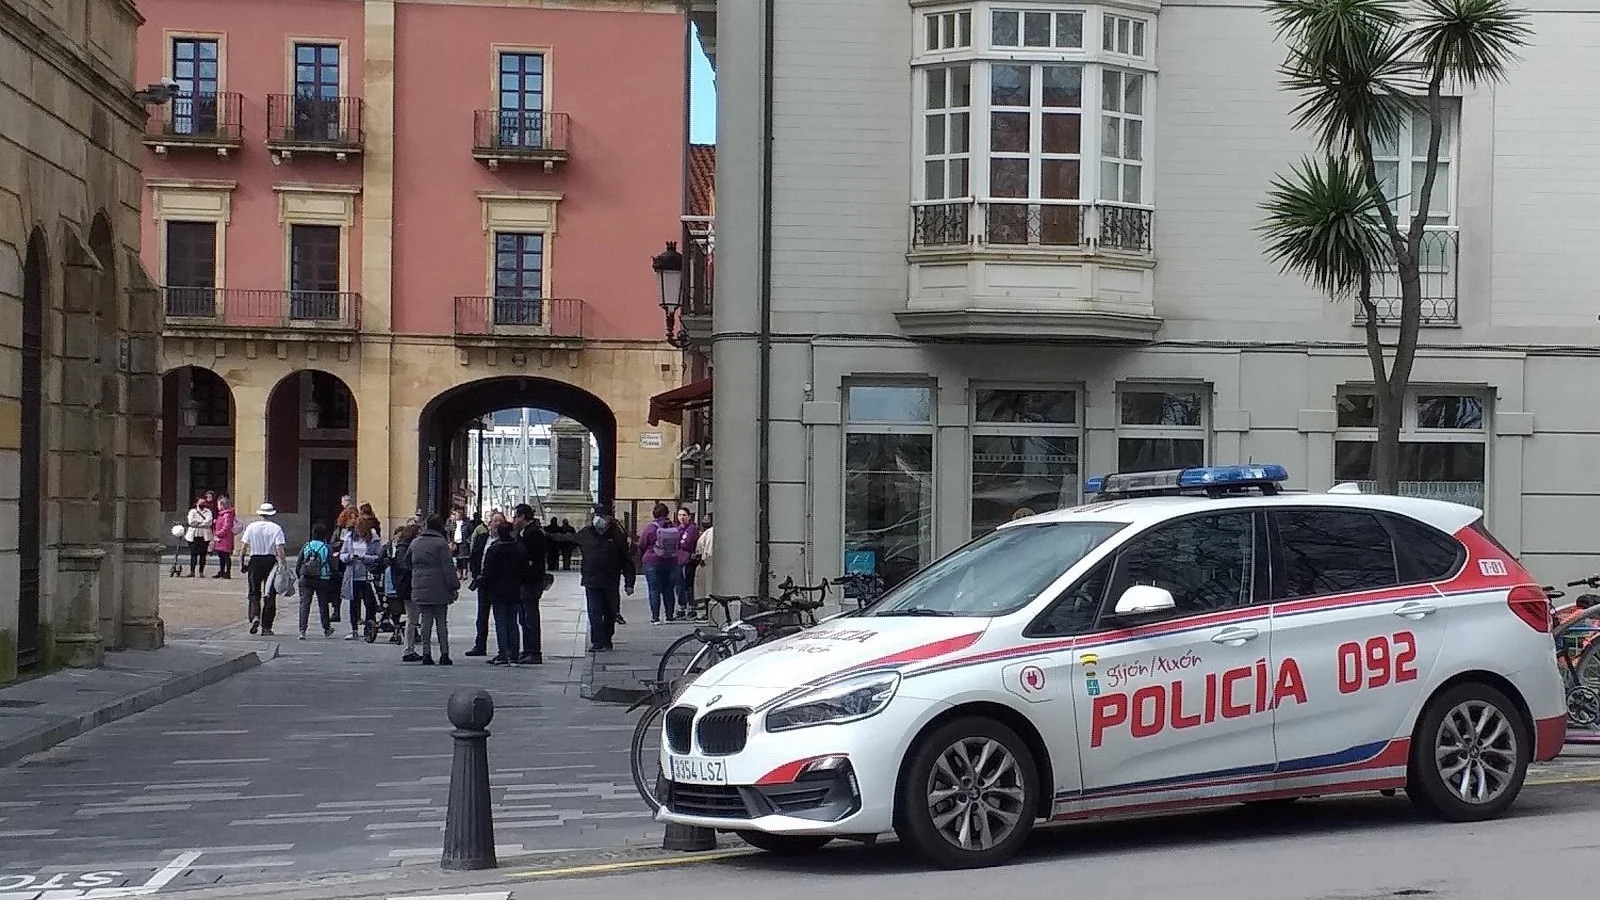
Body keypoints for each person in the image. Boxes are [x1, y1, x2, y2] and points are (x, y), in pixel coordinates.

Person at [575, 503, 635, 652]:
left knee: (610, 611)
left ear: (609, 518)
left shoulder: (617, 536)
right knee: (594, 612)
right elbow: (567, 539)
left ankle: (607, 639)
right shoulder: (586, 533)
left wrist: (629, 583)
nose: (598, 519)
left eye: (601, 516)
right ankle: (597, 642)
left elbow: (626, 560)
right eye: (596, 516)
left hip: (610, 580)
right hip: (591, 580)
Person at [405, 514, 459, 665]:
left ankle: (426, 653)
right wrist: (454, 586)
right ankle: (444, 654)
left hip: (420, 586)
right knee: (441, 622)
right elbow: (448, 567)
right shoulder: (441, 544)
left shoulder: (415, 543)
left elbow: (407, 562)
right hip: (439, 587)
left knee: (425, 621)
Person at [477, 521, 528, 666]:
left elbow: (487, 571)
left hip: (498, 590)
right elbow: (524, 569)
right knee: (513, 622)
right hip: (515, 589)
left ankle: (503, 654)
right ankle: (514, 654)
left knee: (501, 622)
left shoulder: (494, 549)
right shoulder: (519, 548)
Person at [238, 503, 286, 636]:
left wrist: (242, 564)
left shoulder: (252, 527)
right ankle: (266, 627)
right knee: (270, 594)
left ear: (260, 514)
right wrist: (283, 565)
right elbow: (279, 549)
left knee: (254, 592)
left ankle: (255, 617)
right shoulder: (276, 528)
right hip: (270, 561)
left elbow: (243, 549)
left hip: (255, 560)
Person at [511, 504, 548, 665]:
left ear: (523, 517)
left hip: (531, 581)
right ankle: (527, 650)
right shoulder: (524, 533)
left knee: (530, 616)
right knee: (524, 617)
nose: (514, 520)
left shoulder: (534, 534)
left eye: (516, 517)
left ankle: (533, 651)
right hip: (524, 580)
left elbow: (532, 558)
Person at [464, 510, 504, 657]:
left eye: (500, 521)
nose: (497, 524)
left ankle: (503, 648)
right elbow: (474, 556)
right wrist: (475, 574)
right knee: (482, 615)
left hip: (498, 584)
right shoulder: (483, 538)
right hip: (483, 582)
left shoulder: (506, 541)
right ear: (490, 524)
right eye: (495, 521)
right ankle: (480, 645)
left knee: (500, 616)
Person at [639, 503, 683, 624]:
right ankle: (669, 616)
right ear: (667, 513)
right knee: (668, 589)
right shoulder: (673, 528)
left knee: (654, 590)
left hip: (652, 561)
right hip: (670, 561)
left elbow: (642, 543)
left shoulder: (651, 528)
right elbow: (678, 545)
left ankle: (655, 617)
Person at [340, 514, 382, 640]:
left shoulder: (374, 540)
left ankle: (369, 629)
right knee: (353, 604)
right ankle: (354, 630)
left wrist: (365, 558)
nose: (359, 533)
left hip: (367, 576)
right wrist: (349, 557)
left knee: (369, 604)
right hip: (352, 575)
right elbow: (342, 555)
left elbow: (379, 557)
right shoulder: (349, 538)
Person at [379, 524, 417, 651]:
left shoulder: (403, 548)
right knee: (410, 616)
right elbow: (402, 567)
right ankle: (409, 646)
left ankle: (409, 641)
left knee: (412, 616)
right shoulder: (396, 548)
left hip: (401, 584)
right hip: (401, 584)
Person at [295, 523, 336, 640]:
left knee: (304, 604)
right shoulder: (326, 547)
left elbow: (299, 563)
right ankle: (326, 628)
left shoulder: (307, 546)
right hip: (322, 579)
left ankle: (302, 630)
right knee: (323, 604)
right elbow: (332, 565)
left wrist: (300, 576)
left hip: (306, 578)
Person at [672, 506, 701, 620]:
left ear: (689, 516)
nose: (682, 517)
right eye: (680, 515)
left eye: (684, 515)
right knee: (679, 585)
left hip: (688, 561)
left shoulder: (692, 529)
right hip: (677, 561)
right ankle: (681, 607)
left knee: (688, 585)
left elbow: (688, 544)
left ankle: (691, 607)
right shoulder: (677, 529)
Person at [184, 496, 215, 578]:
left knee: (203, 554)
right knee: (193, 554)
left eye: (203, 503)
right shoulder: (192, 511)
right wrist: (202, 523)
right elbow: (191, 522)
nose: (202, 504)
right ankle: (192, 571)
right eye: (200, 503)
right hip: (193, 535)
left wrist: (198, 523)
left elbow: (209, 522)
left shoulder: (208, 511)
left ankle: (201, 571)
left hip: (204, 536)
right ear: (196, 503)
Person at [211, 496, 237, 579]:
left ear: (222, 505)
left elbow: (226, 527)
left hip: (225, 539)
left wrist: (218, 533)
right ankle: (221, 571)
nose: (217, 506)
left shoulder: (227, 515)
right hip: (221, 539)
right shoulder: (222, 514)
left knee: (226, 556)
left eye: (218, 505)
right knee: (221, 556)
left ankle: (227, 572)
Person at [449, 506, 472, 579]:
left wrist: (468, 540)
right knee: (457, 559)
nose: (455, 516)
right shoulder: (453, 523)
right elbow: (448, 532)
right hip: (455, 543)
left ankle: (464, 574)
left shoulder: (466, 524)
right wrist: (450, 542)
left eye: (456, 514)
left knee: (464, 559)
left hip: (463, 543)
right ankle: (459, 574)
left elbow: (471, 532)